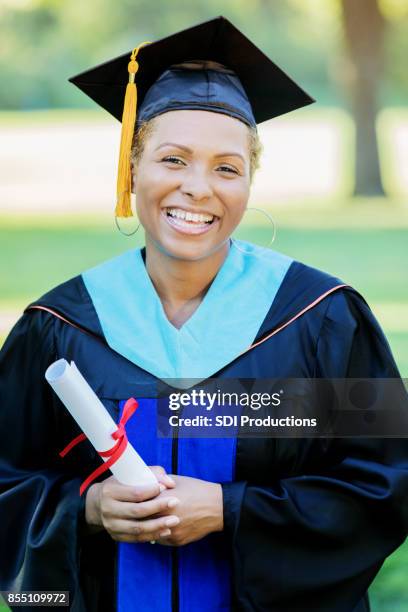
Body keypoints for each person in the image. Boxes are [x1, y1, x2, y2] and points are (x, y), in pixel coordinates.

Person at [0, 15, 407, 612]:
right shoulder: (60, 330)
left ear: (250, 182)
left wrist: (228, 509)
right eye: (172, 159)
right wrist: (85, 510)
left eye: (226, 168)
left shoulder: (319, 320)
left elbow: (385, 484)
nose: (198, 188)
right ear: (131, 168)